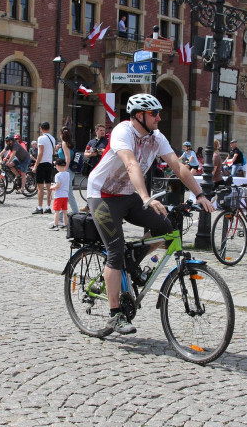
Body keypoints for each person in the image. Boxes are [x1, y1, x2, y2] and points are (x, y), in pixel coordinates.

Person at [86, 93, 214, 335]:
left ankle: (132, 262)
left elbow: (178, 166)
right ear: (138, 116)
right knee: (115, 250)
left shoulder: (156, 138)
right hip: (101, 195)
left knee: (165, 229)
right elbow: (131, 165)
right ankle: (115, 314)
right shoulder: (123, 132)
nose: (159, 118)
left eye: (159, 113)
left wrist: (199, 195)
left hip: (126, 194)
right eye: (154, 113)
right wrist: (146, 198)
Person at [32, 121, 57, 214]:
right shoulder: (52, 138)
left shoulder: (41, 138)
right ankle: (48, 207)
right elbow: (53, 152)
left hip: (42, 163)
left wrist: (35, 165)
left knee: (40, 187)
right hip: (49, 163)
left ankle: (39, 207)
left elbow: (40, 153)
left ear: (40, 129)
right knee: (49, 185)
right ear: (49, 128)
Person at [57, 127, 78, 213]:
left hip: (67, 170)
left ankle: (74, 212)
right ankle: (63, 215)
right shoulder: (70, 143)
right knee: (66, 193)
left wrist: (65, 170)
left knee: (67, 193)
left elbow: (67, 158)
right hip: (69, 170)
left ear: (61, 134)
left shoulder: (64, 143)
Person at [49, 157, 71, 230]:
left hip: (58, 196)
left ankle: (55, 225)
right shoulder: (67, 174)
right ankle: (66, 224)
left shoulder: (57, 175)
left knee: (57, 211)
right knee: (65, 211)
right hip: (65, 195)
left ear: (57, 166)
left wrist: (52, 187)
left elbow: (58, 185)